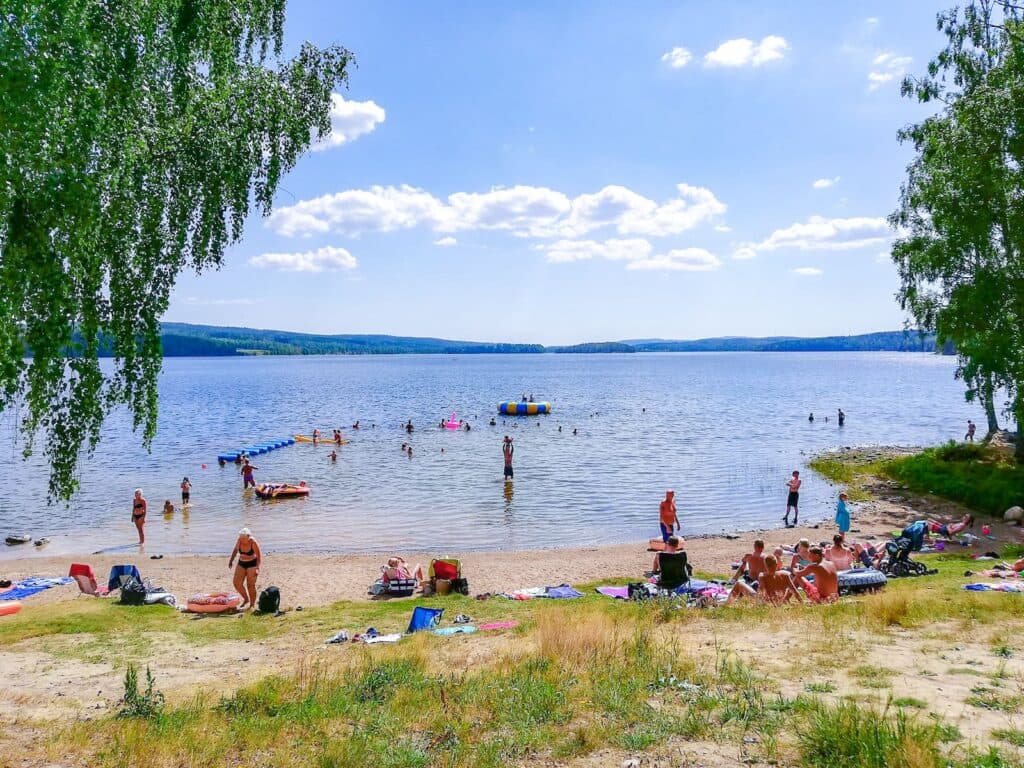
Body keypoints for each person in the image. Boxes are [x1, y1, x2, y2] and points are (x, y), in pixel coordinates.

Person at [728, 555, 803, 605]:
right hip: (779, 601)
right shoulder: (785, 574)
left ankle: (728, 604)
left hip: (764, 602)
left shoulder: (762, 576)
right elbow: (794, 591)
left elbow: (761, 594)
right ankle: (735, 602)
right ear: (776, 565)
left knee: (739, 584)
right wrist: (801, 603)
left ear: (765, 565)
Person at [229, 527, 262, 611]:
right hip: (242, 562)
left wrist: (257, 568)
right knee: (236, 583)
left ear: (248, 536)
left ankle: (252, 605)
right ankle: (246, 598)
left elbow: (258, 556)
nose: (242, 539)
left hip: (252, 563)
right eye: (241, 537)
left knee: (250, 585)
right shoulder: (239, 540)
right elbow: (235, 550)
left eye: (243, 538)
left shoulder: (252, 542)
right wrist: (231, 560)